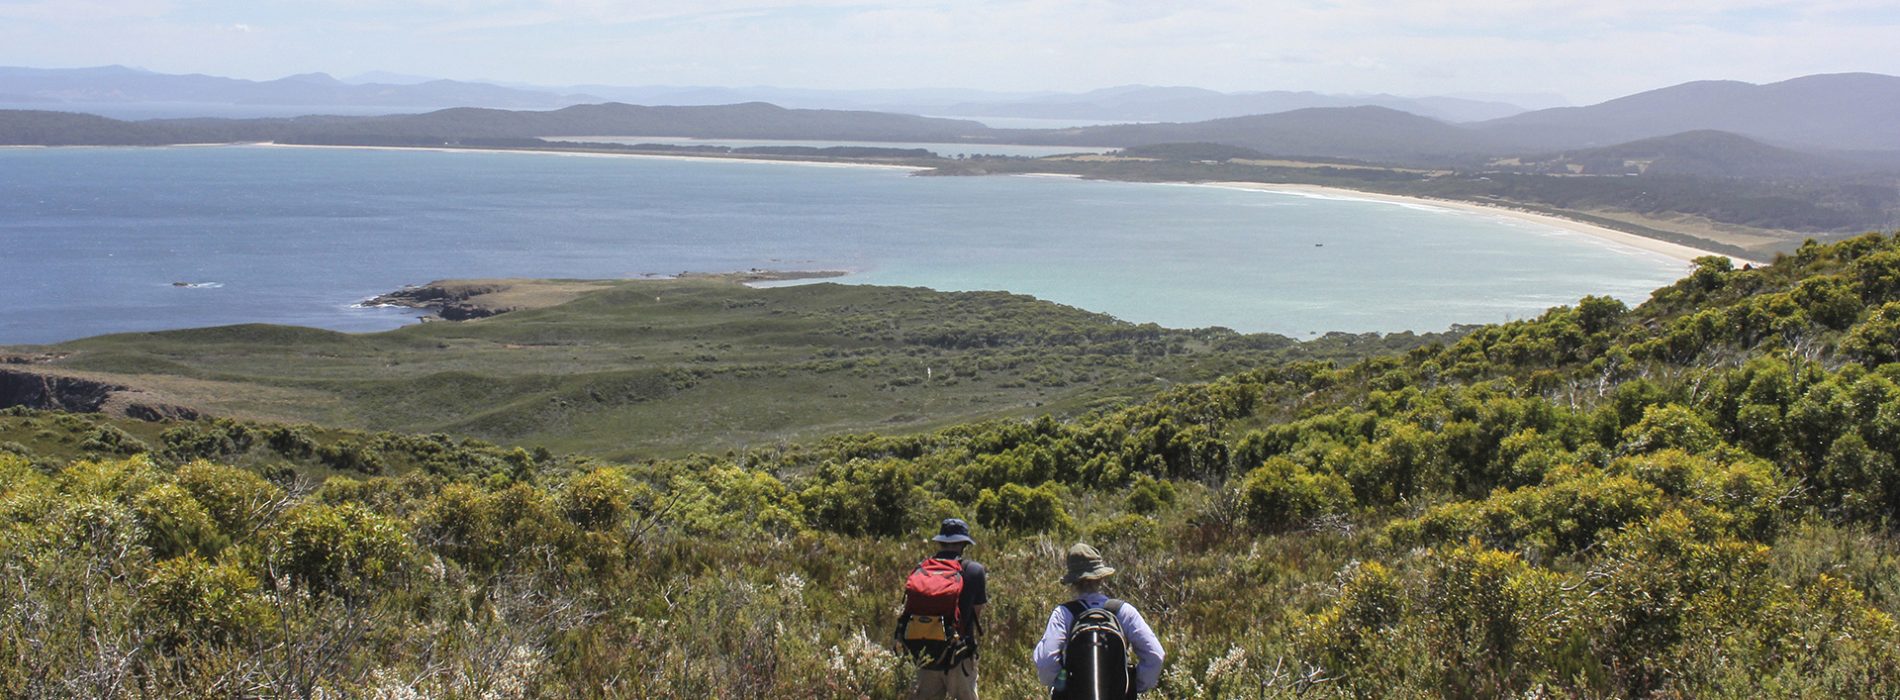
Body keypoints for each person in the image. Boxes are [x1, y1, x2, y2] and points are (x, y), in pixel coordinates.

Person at [1032, 543, 1165, 698]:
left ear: (1073, 582)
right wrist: (1133, 686)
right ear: (1101, 578)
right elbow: (1155, 655)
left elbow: (1046, 662)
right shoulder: (1124, 611)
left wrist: (1062, 685)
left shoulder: (1063, 614)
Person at [905, 518, 989, 700]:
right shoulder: (974, 570)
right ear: (964, 543)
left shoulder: (920, 570)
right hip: (959, 655)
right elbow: (977, 612)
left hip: (924, 654)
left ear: (941, 541)